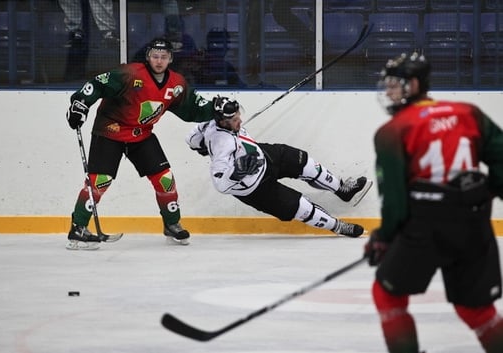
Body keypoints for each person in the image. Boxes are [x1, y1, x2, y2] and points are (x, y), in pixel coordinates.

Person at [365, 52, 503, 353]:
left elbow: (395, 202)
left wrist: (383, 238)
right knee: (477, 310)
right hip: (474, 225)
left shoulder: (392, 131)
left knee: (387, 294)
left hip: (425, 229)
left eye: (395, 84)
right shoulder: (469, 112)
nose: (388, 91)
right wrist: (483, 192)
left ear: (414, 84)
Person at [64, 38, 216, 250]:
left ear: (171, 58)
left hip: (142, 135)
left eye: (164, 57)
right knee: (100, 181)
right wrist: (80, 103)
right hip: (110, 132)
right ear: (148, 57)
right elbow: (98, 84)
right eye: (155, 56)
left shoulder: (177, 84)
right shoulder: (130, 74)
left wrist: (216, 108)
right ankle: (78, 228)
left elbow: (193, 109)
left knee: (165, 179)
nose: (159, 61)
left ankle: (171, 224)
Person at [186, 96, 372, 237]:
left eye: (238, 115)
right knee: (301, 207)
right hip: (255, 189)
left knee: (305, 162)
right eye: (234, 120)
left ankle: (343, 190)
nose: (240, 120)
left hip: (264, 156)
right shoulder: (222, 145)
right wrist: (237, 172)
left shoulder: (207, 124)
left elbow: (191, 139)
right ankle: (338, 226)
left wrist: (200, 146)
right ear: (222, 121)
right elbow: (220, 185)